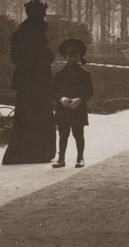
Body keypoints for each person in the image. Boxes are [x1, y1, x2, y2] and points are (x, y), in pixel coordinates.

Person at [2, 0, 57, 165]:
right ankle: (39, 153)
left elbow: (15, 58)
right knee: (41, 116)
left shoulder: (19, 33)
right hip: (39, 81)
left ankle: (19, 153)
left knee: (24, 116)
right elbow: (47, 57)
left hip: (24, 80)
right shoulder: (39, 33)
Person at [53, 38, 94, 168]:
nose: (72, 59)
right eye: (70, 56)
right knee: (63, 134)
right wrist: (61, 99)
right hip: (63, 109)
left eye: (75, 56)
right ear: (65, 57)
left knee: (78, 134)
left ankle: (80, 157)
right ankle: (61, 158)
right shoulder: (59, 75)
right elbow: (53, 90)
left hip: (78, 108)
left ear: (79, 57)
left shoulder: (84, 75)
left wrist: (80, 99)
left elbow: (89, 91)